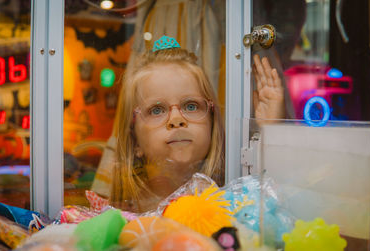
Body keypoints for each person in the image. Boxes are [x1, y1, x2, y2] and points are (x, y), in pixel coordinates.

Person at [109, 35, 284, 212]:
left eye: (191, 106)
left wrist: (269, 131)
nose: (177, 120)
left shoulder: (233, 203)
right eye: (157, 110)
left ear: (212, 123)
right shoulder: (123, 216)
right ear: (134, 139)